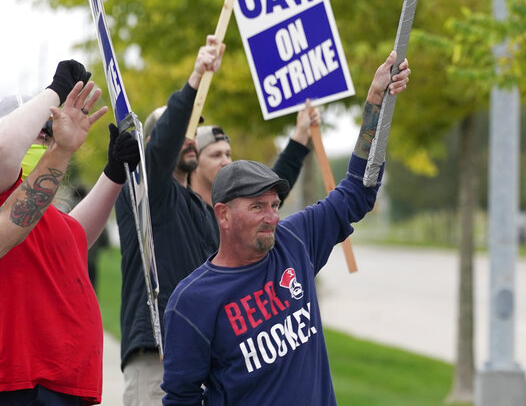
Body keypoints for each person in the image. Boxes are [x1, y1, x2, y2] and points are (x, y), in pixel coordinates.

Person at [161, 51, 410, 405]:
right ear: (224, 215)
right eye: (257, 207)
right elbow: (180, 398)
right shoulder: (191, 302)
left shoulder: (294, 241)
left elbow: (358, 191)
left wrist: (374, 104)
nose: (272, 217)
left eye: (275, 205)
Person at [118, 36, 323, 405]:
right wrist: (196, 79)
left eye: (194, 128)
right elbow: (161, 149)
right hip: (156, 359)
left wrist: (297, 140)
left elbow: (260, 202)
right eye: (182, 127)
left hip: (199, 358)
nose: (190, 136)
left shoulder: (201, 209)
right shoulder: (145, 196)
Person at [0, 63, 140, 404]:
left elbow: (74, 238)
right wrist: (56, 90)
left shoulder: (42, 209)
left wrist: (113, 174)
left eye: (47, 134)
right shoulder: (7, 194)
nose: (45, 138)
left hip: (62, 384)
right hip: (20, 383)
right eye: (38, 132)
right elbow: (3, 149)